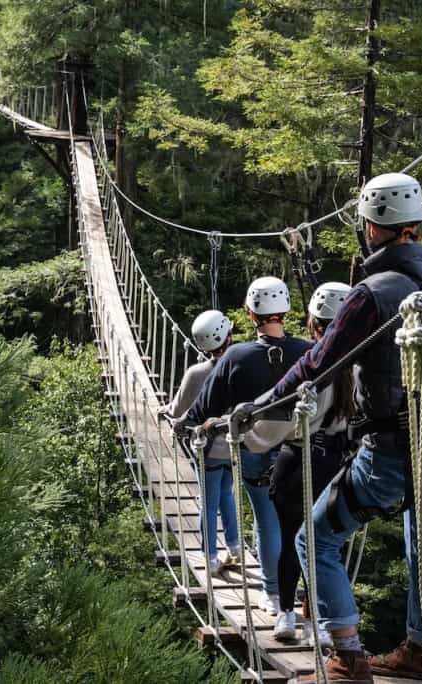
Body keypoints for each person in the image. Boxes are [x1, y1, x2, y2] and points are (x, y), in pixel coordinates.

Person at [264, 173, 422, 683]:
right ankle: (418, 649)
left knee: (313, 539)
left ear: (371, 226)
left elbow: (320, 361)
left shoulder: (372, 294)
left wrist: (265, 403)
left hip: (389, 453)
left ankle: (347, 654)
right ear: (417, 222)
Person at [184, 277, 313, 614]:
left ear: (248, 312)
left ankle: (271, 593)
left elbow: (201, 410)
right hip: (300, 449)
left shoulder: (237, 356)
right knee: (300, 523)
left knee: (266, 517)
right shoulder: (309, 352)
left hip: (255, 449)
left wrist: (189, 425)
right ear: (285, 310)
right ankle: (305, 600)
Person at [242, 282, 355, 646]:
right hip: (339, 466)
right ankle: (322, 622)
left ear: (312, 322)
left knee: (292, 539)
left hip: (297, 461)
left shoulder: (309, 365)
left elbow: (281, 424)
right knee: (323, 545)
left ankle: (288, 616)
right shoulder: (360, 365)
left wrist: (244, 433)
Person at [163, 310, 240, 576]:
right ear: (228, 336)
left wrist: (168, 410)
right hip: (234, 446)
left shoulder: (195, 373)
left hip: (206, 449)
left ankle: (210, 558)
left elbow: (178, 411)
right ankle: (235, 547)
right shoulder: (240, 365)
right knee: (226, 494)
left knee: (208, 502)